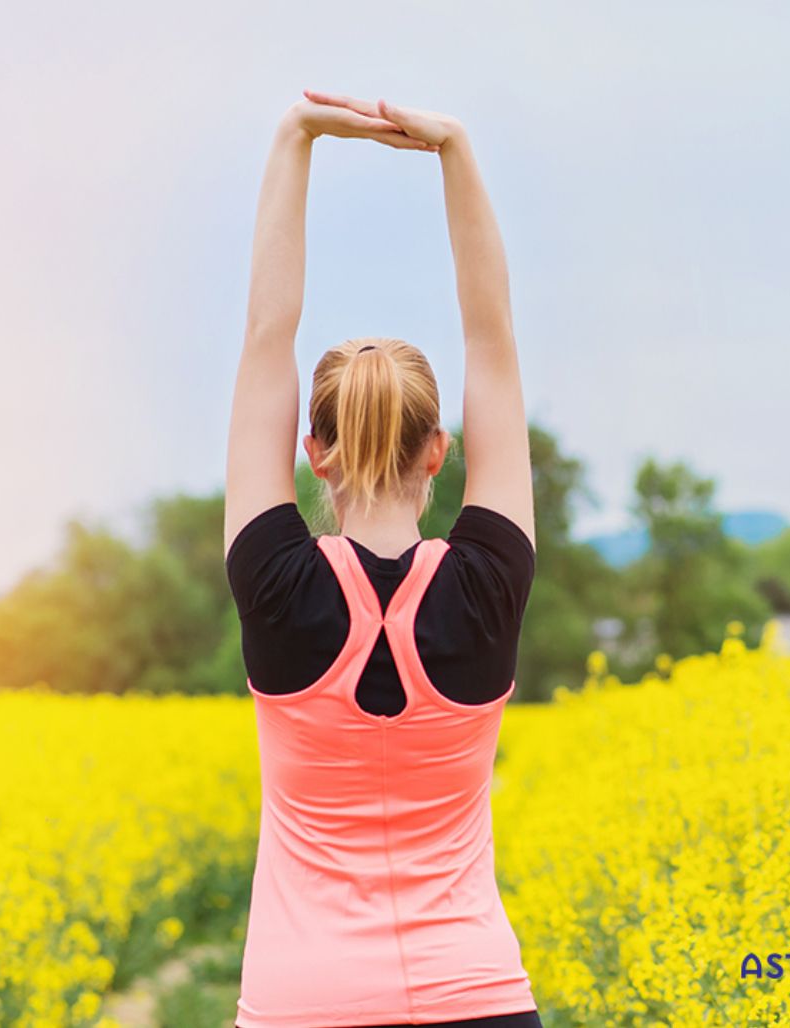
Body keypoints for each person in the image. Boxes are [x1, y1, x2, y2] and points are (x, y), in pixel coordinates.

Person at [223, 90, 543, 1028]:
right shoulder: (487, 583)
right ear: (439, 451)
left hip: (303, 1005)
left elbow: (263, 343)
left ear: (311, 452)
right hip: (479, 996)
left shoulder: (276, 584)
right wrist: (455, 151)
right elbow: (496, 349)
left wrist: (295, 136)